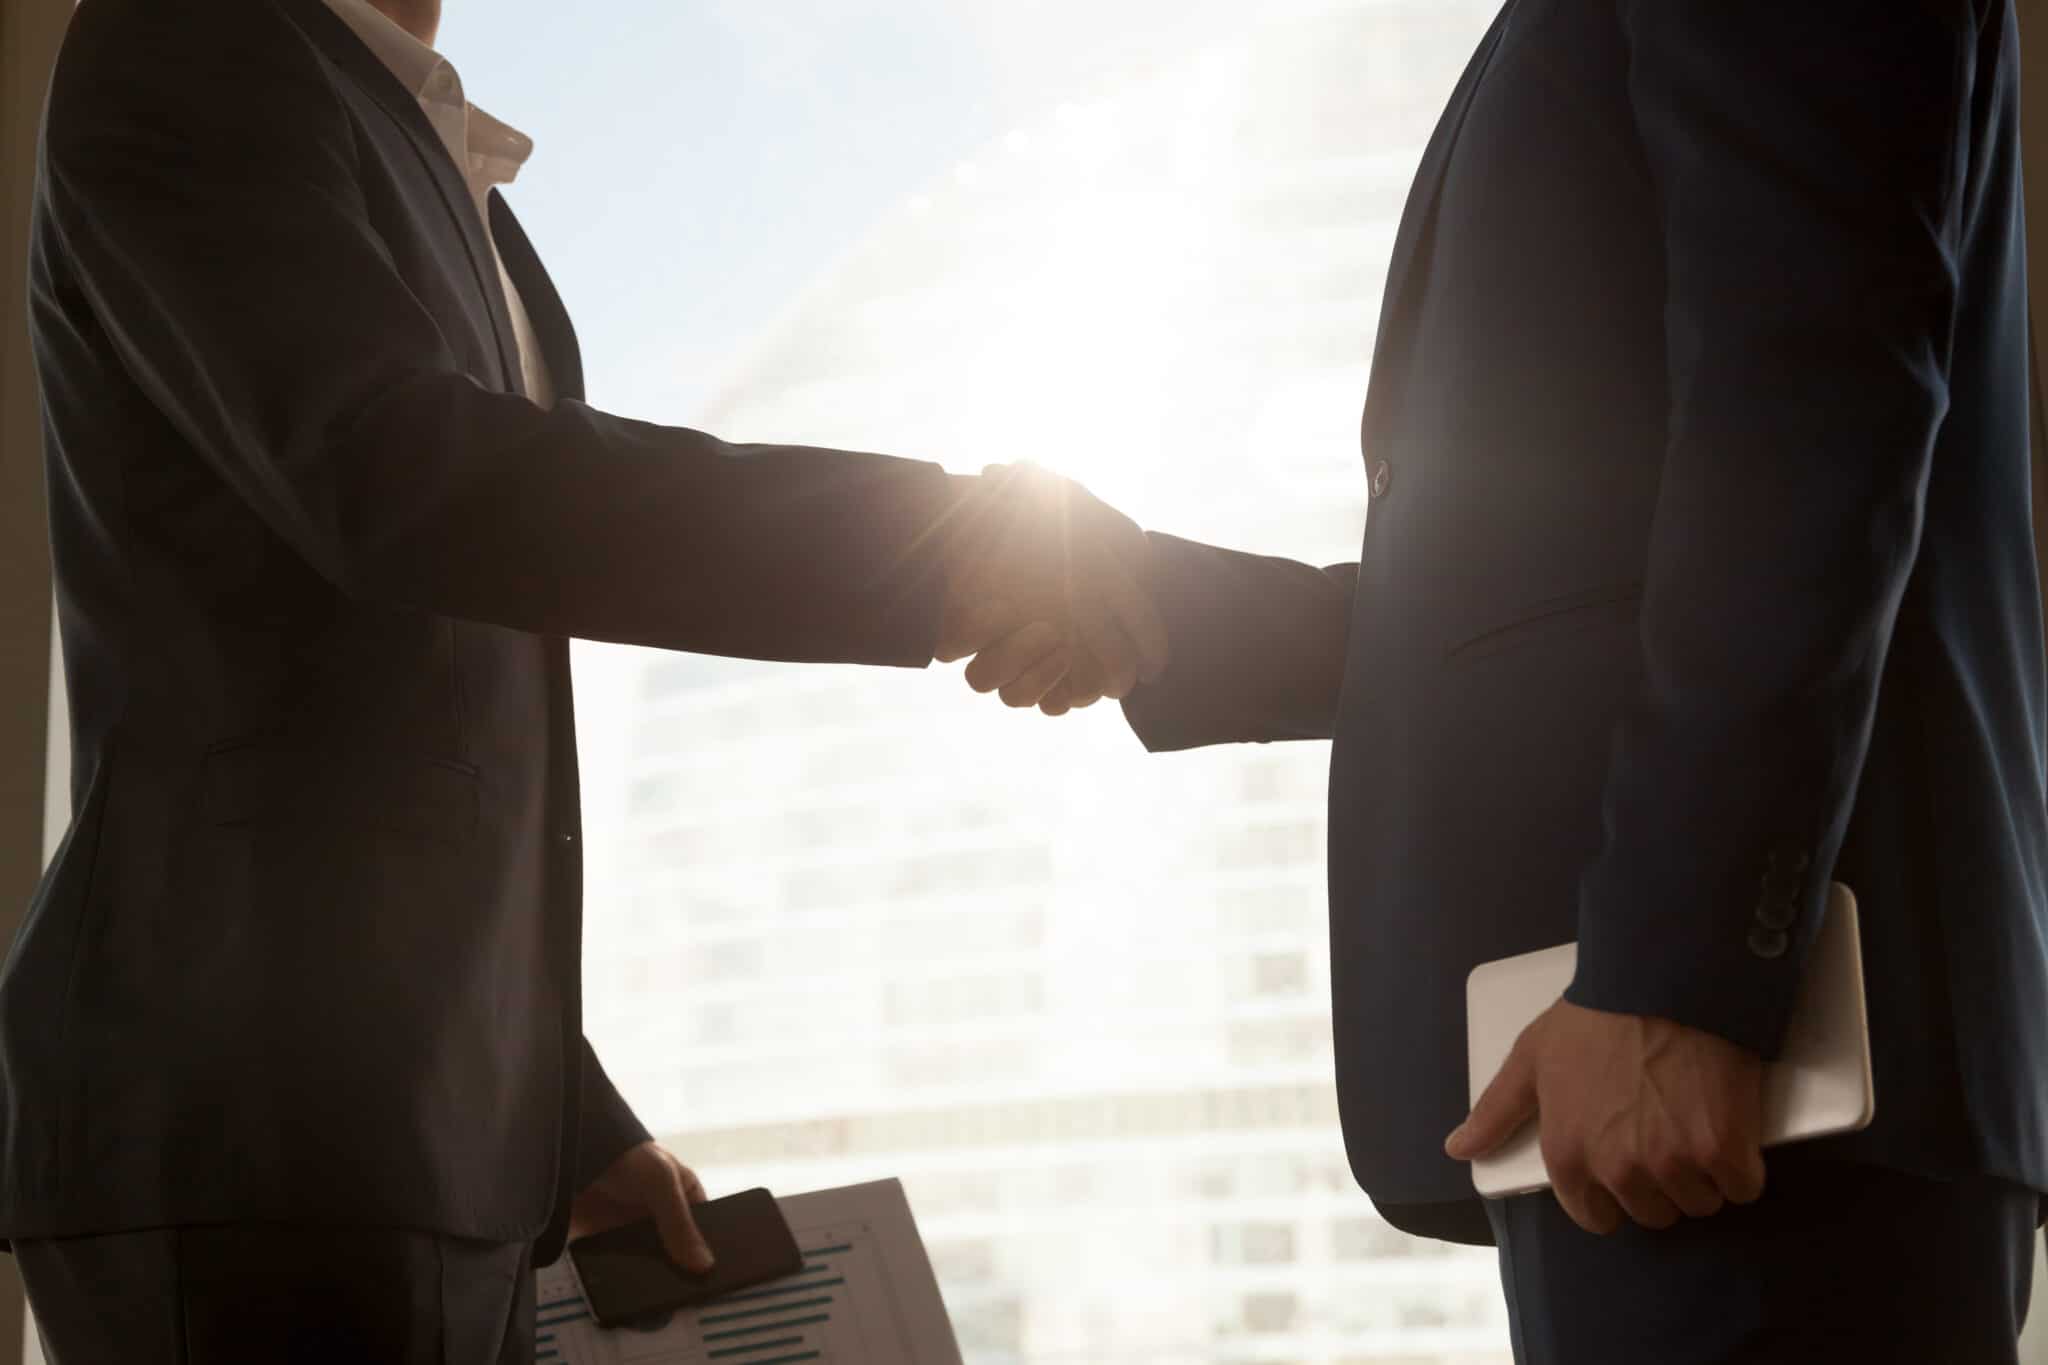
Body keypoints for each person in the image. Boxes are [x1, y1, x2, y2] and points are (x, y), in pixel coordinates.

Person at [12, 0, 1163, 1359]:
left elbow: (433, 724)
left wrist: (565, 1114)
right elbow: (411, 487)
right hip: (250, 1136)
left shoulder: (442, 167)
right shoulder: (192, 38)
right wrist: (954, 545)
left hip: (427, 1151)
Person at [969, 1, 2048, 1359]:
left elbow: (1808, 400)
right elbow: (1568, 575)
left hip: (1741, 1062)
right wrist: (1167, 615)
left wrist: (1685, 972)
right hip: (1665, 1071)